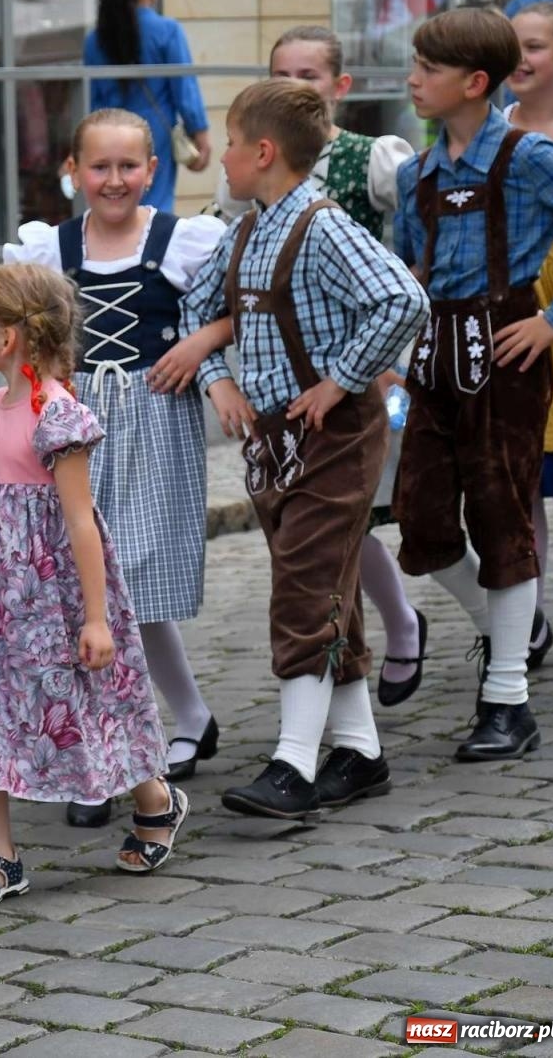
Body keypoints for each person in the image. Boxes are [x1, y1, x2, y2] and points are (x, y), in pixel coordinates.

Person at [0, 263, 189, 903]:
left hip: (55, 597)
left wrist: (96, 618)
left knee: (88, 704)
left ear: (7, 338)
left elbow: (81, 521)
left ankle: (155, 798)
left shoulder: (57, 415)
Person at [183, 78, 428, 819]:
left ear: (263, 152)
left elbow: (403, 300)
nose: (222, 157)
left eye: (230, 143)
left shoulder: (323, 225)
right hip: (273, 442)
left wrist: (340, 380)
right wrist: (219, 381)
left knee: (303, 587)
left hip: (333, 436)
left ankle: (292, 764)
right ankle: (360, 750)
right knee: (327, 590)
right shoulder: (246, 230)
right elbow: (197, 307)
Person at [1, 108, 227, 821]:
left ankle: (148, 737)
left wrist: (200, 344)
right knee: (87, 586)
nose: (115, 179)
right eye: (99, 166)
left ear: (153, 171)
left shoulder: (184, 240)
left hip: (155, 421)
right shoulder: (51, 248)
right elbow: (25, 338)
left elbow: (238, 306)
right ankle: (148, 733)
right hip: (77, 429)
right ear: (73, 170)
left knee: (132, 584)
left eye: (129, 166)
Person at [393, 7, 553, 761]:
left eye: (428, 68)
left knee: (503, 519)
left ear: (474, 83)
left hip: (508, 354)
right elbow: (409, 269)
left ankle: (507, 700)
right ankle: (512, 628)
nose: (413, 79)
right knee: (422, 525)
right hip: (435, 358)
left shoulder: (533, 157)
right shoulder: (414, 173)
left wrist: (551, 322)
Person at [505, 1, 553, 669]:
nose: (520, 60)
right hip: (517, 318)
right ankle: (528, 622)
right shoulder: (492, 133)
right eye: (511, 47)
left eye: (534, 46)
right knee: (521, 482)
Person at [84, 0, 211, 212]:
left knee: (114, 204)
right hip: (154, 133)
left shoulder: (94, 40)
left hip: (107, 133)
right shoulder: (168, 30)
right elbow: (185, 90)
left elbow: (92, 101)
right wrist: (199, 133)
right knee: (156, 205)